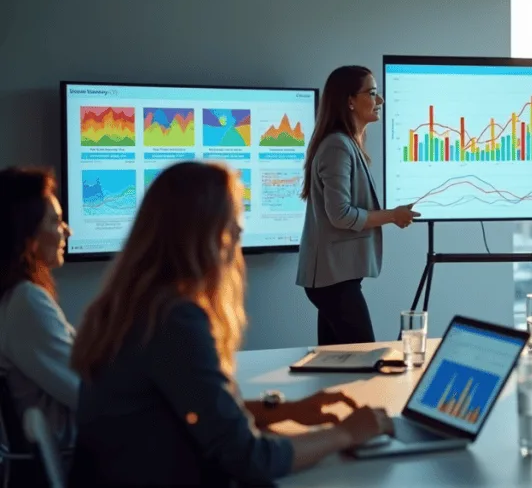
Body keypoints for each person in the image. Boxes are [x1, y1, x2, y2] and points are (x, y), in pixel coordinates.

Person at [69, 162, 394, 486]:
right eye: (233, 223)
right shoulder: (173, 320)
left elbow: (199, 415)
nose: (240, 233)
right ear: (205, 234)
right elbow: (249, 457)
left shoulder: (133, 306)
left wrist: (286, 411)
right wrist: (345, 433)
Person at [297, 65, 419, 345]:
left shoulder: (346, 144)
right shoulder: (337, 146)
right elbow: (340, 214)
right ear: (349, 101)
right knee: (365, 357)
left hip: (336, 276)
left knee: (336, 362)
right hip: (333, 279)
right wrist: (392, 216)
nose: (381, 101)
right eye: (372, 93)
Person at [0, 167, 78, 450]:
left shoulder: (20, 297)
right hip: (76, 460)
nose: (67, 230)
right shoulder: (26, 301)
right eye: (55, 221)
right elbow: (86, 392)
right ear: (27, 236)